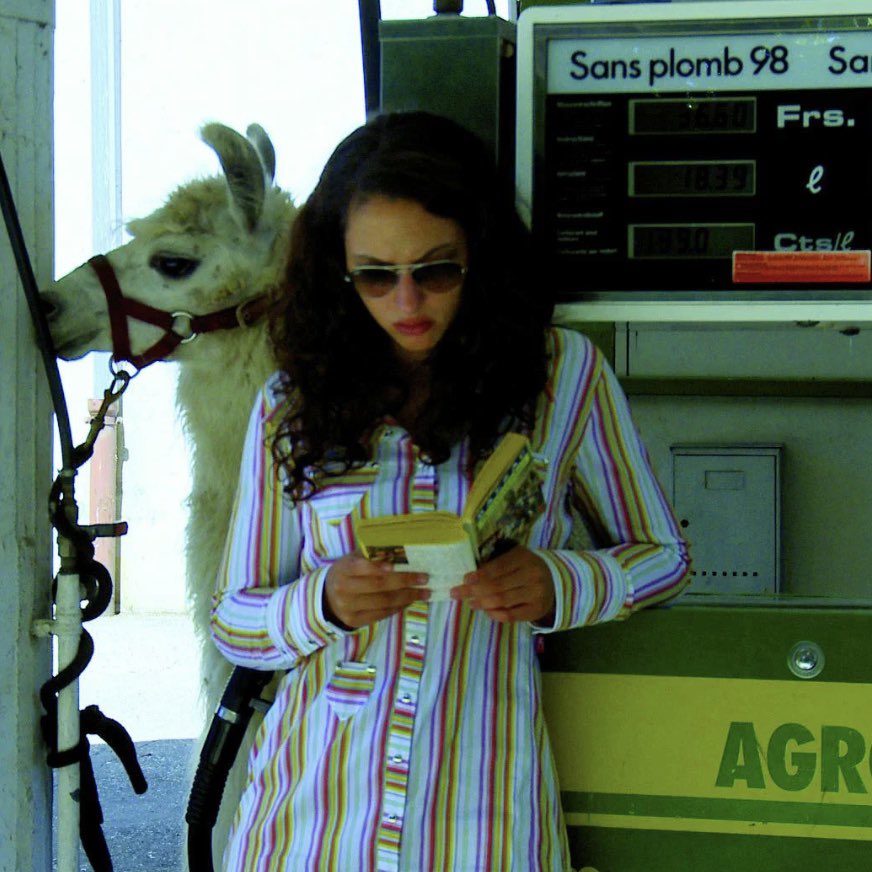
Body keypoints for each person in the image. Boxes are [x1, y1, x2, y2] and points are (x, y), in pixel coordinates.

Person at [210, 111, 690, 872]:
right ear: (338, 274)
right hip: (313, 816)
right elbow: (235, 618)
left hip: (483, 807)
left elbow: (663, 557)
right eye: (374, 275)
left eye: (436, 270)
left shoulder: (562, 379)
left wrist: (560, 582)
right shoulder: (292, 401)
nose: (407, 302)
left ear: (483, 257)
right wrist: (324, 601)